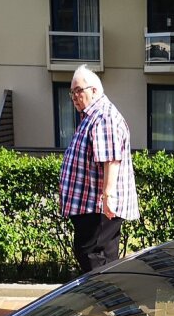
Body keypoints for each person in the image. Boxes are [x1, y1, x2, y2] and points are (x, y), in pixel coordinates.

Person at [59, 65, 139, 273]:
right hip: (93, 207)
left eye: (79, 90)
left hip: (97, 208)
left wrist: (107, 197)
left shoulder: (103, 116)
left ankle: (106, 302)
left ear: (94, 90)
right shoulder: (93, 116)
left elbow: (111, 158)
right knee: (101, 258)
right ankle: (107, 302)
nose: (74, 96)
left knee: (93, 256)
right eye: (72, 92)